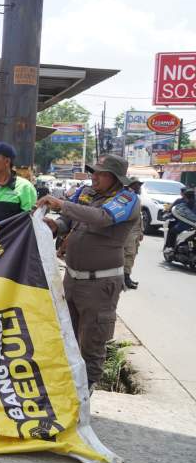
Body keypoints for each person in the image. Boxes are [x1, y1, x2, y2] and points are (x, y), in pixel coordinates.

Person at [37, 154, 140, 393]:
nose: (94, 177)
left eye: (101, 174)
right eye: (93, 172)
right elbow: (68, 222)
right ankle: (66, 392)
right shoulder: (86, 194)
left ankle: (86, 395)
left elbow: (102, 218)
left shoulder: (126, 199)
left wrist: (62, 204)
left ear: (115, 178)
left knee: (92, 343)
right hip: (72, 279)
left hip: (99, 284)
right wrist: (55, 226)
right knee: (67, 339)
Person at [122, 177, 143, 290]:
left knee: (132, 254)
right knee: (128, 254)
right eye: (138, 185)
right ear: (132, 185)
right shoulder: (127, 196)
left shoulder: (135, 197)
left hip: (135, 231)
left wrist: (141, 231)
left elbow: (139, 216)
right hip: (128, 231)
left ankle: (127, 276)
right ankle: (125, 278)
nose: (139, 187)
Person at [164, 187, 196, 252]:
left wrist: (168, 215)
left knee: (172, 231)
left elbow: (172, 210)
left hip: (184, 226)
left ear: (185, 196)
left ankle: (170, 247)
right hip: (193, 226)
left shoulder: (182, 204)